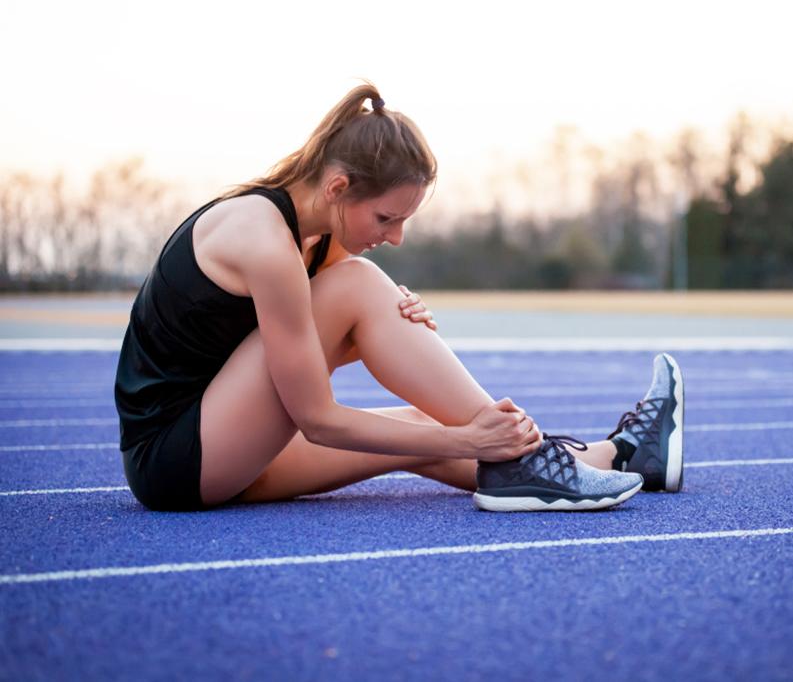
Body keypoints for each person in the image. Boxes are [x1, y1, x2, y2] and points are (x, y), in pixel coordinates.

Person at [113, 82, 684, 513]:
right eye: (386, 217)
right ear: (337, 187)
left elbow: (287, 357)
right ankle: (526, 459)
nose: (395, 237)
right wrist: (462, 434)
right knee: (360, 288)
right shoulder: (264, 240)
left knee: (414, 426)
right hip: (178, 459)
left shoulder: (314, 240)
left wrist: (381, 332)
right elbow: (316, 419)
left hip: (225, 442)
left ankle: (622, 457)